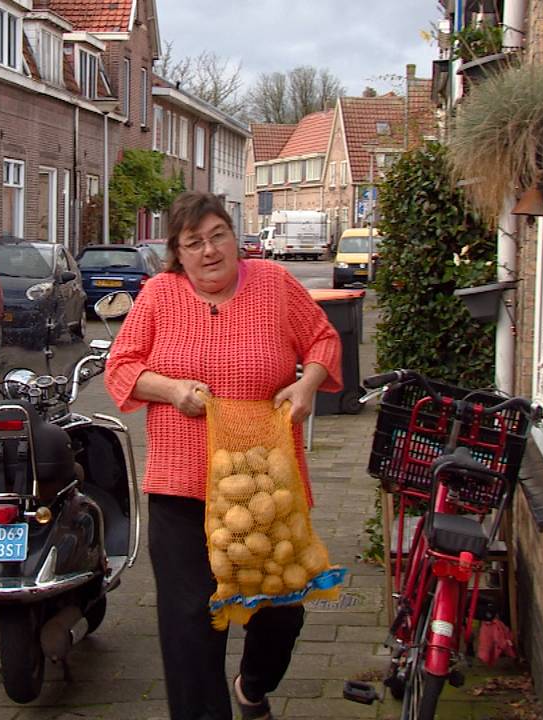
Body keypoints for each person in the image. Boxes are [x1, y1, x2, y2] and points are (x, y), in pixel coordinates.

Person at [105, 191, 342, 720]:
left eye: (218, 236)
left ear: (235, 238)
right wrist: (170, 391)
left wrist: (306, 387)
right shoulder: (159, 296)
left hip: (264, 484)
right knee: (190, 623)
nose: (209, 251)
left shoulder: (276, 285)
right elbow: (121, 367)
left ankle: (253, 686)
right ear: (178, 253)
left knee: (280, 612)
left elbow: (324, 340)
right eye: (194, 242)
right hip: (181, 485)